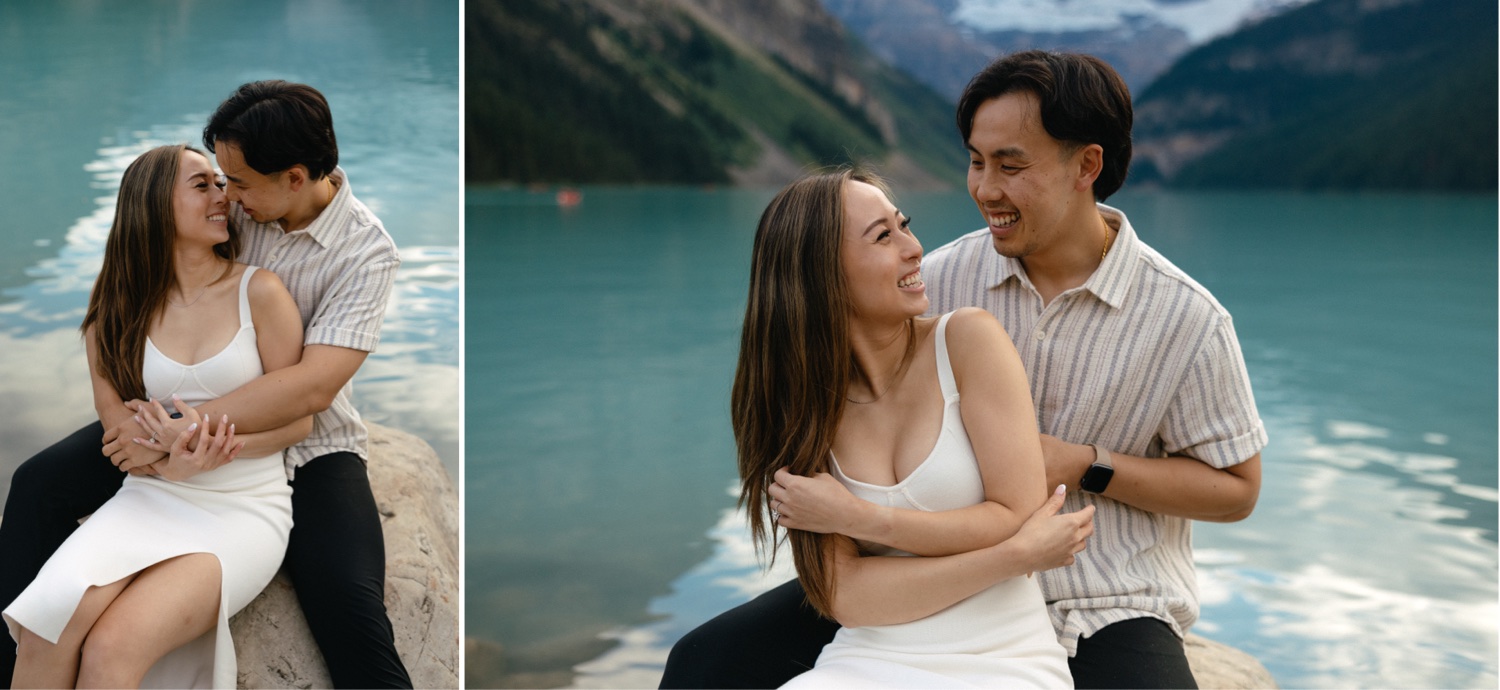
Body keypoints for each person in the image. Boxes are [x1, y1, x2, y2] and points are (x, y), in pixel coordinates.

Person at [660, 51, 1266, 690]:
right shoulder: (933, 279)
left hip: (1105, 592)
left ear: (1087, 165)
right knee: (704, 663)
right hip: (924, 567)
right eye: (976, 161)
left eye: (1010, 165)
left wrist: (1088, 464)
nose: (983, 188)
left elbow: (1237, 491)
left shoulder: (1187, 316)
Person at [0, 81, 412, 688]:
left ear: (295, 178)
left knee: (349, 605)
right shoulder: (232, 216)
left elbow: (312, 392)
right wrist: (137, 431)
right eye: (217, 178)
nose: (228, 194)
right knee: (38, 486)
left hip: (308, 443)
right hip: (177, 428)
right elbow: (138, 275)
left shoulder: (366, 253)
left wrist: (184, 432)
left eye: (238, 182)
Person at [728, 167, 1095, 688]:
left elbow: (1017, 515)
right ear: (820, 273)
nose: (914, 248)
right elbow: (846, 596)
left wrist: (858, 517)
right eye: (883, 236)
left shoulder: (968, 342)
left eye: (904, 225)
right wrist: (1011, 557)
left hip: (1002, 653)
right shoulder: (801, 411)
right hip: (869, 654)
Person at [4, 144, 307, 687]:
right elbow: (119, 434)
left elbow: (298, 423)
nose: (223, 196)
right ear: (151, 205)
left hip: (241, 508)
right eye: (202, 185)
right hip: (150, 498)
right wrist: (164, 461)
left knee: (112, 648)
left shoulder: (259, 292)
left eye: (221, 183)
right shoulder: (116, 311)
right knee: (44, 628)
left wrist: (208, 447)